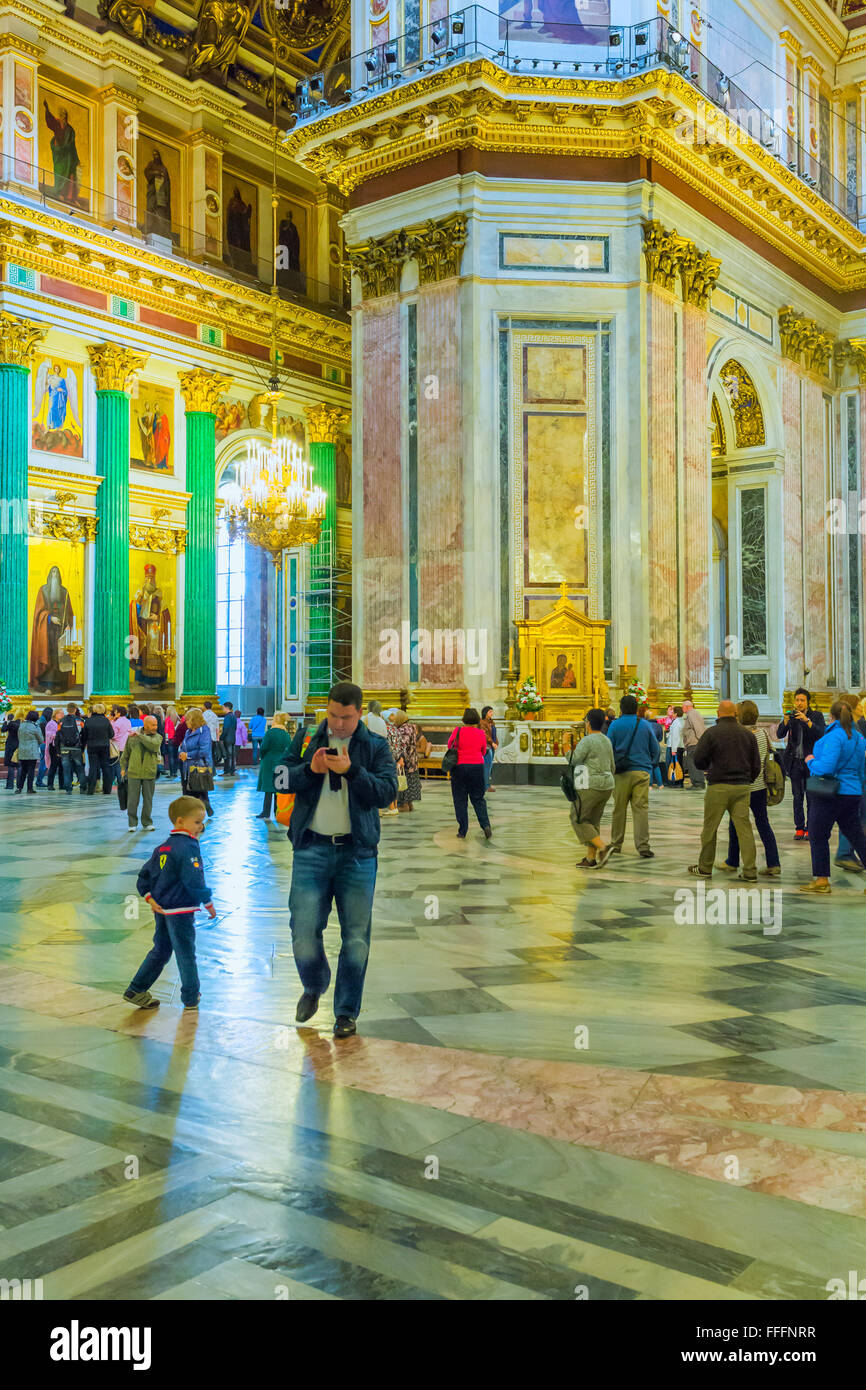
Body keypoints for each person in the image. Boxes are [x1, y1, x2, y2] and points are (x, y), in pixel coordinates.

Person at [275, 681, 398, 1038]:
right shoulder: (307, 738)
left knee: (356, 937)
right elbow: (279, 778)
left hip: (357, 854)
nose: (338, 724)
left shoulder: (375, 746)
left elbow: (388, 791)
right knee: (302, 930)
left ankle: (346, 1011)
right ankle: (314, 983)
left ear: (359, 713)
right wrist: (308, 771)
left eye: (345, 717)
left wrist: (352, 772)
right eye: (332, 715)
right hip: (311, 849)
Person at [123, 796, 216, 1011]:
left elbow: (144, 877)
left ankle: (136, 989)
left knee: (162, 949)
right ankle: (191, 996)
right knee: (185, 952)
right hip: (181, 910)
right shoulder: (188, 847)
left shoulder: (162, 848)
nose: (201, 826)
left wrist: (149, 897)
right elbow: (194, 879)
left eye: (202, 822)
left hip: (162, 908)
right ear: (180, 821)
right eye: (197, 822)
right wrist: (207, 900)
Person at [687, 699, 761, 879]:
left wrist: (708, 768)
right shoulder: (747, 734)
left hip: (718, 786)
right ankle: (750, 870)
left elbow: (698, 759)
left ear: (718, 714)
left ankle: (705, 868)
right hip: (742, 787)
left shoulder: (711, 733)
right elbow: (756, 764)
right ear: (735, 714)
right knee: (744, 829)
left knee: (710, 829)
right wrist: (747, 779)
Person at [799, 700, 866, 894]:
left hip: (830, 793)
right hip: (852, 793)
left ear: (832, 717)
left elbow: (827, 768)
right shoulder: (860, 739)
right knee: (857, 837)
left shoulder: (834, 737)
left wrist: (811, 762)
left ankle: (821, 881)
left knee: (818, 835)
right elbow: (861, 771)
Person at [719, 701, 781, 877]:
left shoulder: (738, 735)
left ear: (738, 715)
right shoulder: (762, 733)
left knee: (735, 823)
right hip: (760, 786)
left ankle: (733, 861)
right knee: (763, 824)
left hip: (742, 786)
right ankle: (773, 862)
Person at [606, 694, 660, 858]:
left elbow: (609, 749)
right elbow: (655, 749)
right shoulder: (644, 725)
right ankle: (643, 846)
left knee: (619, 809)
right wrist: (650, 765)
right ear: (636, 708)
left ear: (621, 709)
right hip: (641, 772)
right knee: (641, 810)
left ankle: (616, 844)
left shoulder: (615, 725)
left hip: (621, 773)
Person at [567, 707, 615, 867]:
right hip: (607, 785)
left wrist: (566, 744)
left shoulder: (587, 740)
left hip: (590, 785)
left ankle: (603, 847)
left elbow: (573, 760)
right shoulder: (606, 740)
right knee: (592, 820)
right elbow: (612, 766)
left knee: (578, 818)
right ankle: (590, 858)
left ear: (588, 723)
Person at [777, 688, 825, 840]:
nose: (799, 703)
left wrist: (807, 721)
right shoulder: (792, 716)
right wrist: (785, 722)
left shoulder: (816, 716)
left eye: (802, 700)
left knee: (811, 797)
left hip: (811, 763)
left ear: (808, 702)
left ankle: (810, 828)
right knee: (797, 797)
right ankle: (799, 828)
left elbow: (820, 734)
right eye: (797, 700)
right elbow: (780, 734)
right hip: (794, 762)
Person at [446, 707, 492, 840]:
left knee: (460, 799)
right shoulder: (480, 733)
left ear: (464, 719)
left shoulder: (458, 731)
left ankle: (462, 830)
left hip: (459, 767)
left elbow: (450, 745)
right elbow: (484, 750)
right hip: (477, 767)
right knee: (478, 798)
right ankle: (485, 825)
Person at [120, 714, 163, 832]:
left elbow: (153, 746)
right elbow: (126, 754)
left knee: (148, 799)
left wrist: (140, 736)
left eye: (156, 724)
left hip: (149, 772)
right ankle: (132, 823)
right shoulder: (132, 737)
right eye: (153, 725)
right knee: (132, 799)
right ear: (146, 725)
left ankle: (147, 822)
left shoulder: (158, 737)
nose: (156, 727)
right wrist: (123, 768)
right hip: (134, 772)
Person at [179, 708, 214, 816]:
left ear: (194, 720)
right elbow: (183, 746)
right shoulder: (187, 732)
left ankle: (198, 818)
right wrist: (181, 753)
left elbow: (204, 751)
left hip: (199, 767)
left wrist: (188, 755)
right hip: (186, 767)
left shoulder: (204, 731)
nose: (186, 722)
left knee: (197, 792)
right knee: (188, 792)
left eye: (188, 719)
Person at [256, 711, 291, 819]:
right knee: (278, 789)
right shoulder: (286, 734)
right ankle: (277, 811)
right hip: (281, 762)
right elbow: (289, 748)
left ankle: (266, 812)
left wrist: (262, 756)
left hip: (269, 761)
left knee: (268, 788)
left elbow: (263, 747)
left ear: (275, 720)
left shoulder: (270, 733)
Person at [388, 710, 421, 812]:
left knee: (404, 781)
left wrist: (399, 757)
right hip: (413, 759)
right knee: (410, 781)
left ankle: (404, 804)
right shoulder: (411, 727)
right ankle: (410, 804)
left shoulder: (403, 729)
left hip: (406, 760)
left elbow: (403, 745)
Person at [82, 703, 115, 794]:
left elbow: (84, 735)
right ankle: (107, 789)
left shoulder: (88, 721)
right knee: (106, 767)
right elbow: (112, 734)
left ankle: (91, 789)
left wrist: (83, 745)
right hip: (104, 746)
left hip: (92, 746)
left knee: (93, 767)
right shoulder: (106, 721)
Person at [56, 702, 85, 793]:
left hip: (64, 748)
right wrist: (82, 748)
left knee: (66, 769)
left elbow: (58, 736)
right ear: (75, 709)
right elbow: (84, 735)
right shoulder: (80, 721)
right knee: (80, 768)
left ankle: (68, 788)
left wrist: (58, 750)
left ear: (67, 710)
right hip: (77, 748)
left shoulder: (61, 721)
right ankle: (83, 787)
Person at [15, 711, 44, 793]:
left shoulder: (21, 725)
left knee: (23, 770)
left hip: (22, 750)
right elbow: (41, 740)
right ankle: (29, 788)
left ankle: (19, 788)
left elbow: (19, 737)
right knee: (31, 770)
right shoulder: (35, 727)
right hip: (32, 751)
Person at [681, 699, 707, 789]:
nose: (682, 708)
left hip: (694, 743)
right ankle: (697, 783)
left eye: (682, 707)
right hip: (692, 743)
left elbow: (698, 728)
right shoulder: (691, 714)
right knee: (692, 763)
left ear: (687, 707)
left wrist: (701, 741)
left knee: (693, 763)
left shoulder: (692, 713)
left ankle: (698, 783)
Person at [639, 703, 665, 789]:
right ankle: (660, 784)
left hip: (647, 746)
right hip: (656, 746)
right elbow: (661, 738)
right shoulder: (657, 725)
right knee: (656, 765)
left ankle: (649, 785)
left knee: (648, 765)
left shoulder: (643, 725)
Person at [44, 707, 64, 790]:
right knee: (53, 765)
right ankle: (50, 784)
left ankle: (62, 784)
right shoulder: (50, 723)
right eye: (60, 713)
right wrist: (57, 735)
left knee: (62, 766)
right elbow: (48, 734)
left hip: (61, 746)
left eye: (63, 713)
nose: (62, 715)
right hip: (53, 746)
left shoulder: (62, 723)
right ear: (55, 714)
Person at [35, 704, 54, 787]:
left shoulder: (40, 720)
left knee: (44, 763)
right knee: (44, 763)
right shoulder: (44, 722)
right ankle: (39, 781)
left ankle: (39, 780)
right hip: (44, 743)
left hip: (41, 743)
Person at [666, 705, 685, 785]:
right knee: (679, 764)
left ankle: (675, 781)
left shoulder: (676, 722)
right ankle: (679, 780)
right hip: (679, 746)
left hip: (674, 747)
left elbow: (675, 737)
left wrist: (673, 750)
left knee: (674, 765)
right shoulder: (682, 721)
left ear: (676, 714)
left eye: (673, 713)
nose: (672, 714)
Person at [481, 705, 499, 792]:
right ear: (485, 713)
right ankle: (486, 786)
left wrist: (496, 743)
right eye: (490, 712)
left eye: (492, 711)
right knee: (486, 767)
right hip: (487, 746)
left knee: (490, 767)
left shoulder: (492, 722)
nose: (492, 713)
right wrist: (492, 742)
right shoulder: (482, 723)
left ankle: (487, 784)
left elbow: (494, 734)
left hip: (492, 746)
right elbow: (485, 735)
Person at [2, 710, 20, 790]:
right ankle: (20, 784)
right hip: (19, 746)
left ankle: (10, 785)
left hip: (11, 746)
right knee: (19, 766)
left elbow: (3, 729)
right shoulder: (21, 724)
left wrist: (6, 721)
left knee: (11, 766)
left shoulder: (12, 724)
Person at [221, 701, 238, 776]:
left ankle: (227, 771)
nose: (223, 709)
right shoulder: (234, 716)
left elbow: (226, 728)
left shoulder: (227, 717)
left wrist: (222, 737)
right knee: (232, 755)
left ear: (227, 708)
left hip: (227, 738)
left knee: (227, 755)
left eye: (223, 708)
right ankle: (232, 770)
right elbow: (235, 727)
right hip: (233, 738)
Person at [163, 705, 179, 778]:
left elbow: (166, 730)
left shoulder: (168, 719)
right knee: (176, 756)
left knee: (171, 757)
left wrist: (166, 740)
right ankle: (175, 772)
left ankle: (171, 773)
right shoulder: (178, 719)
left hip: (170, 739)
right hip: (176, 739)